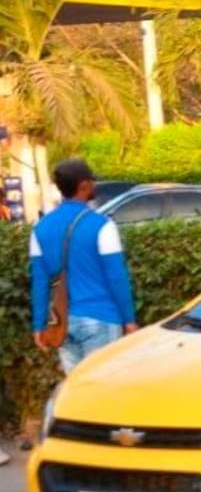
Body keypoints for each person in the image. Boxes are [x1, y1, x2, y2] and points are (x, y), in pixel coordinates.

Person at [30, 159, 138, 374]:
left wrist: (39, 325)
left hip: (62, 323)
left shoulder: (40, 228)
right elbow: (117, 277)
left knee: (77, 396)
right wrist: (129, 320)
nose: (95, 185)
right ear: (84, 185)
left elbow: (40, 282)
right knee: (102, 394)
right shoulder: (102, 226)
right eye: (92, 181)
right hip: (100, 319)